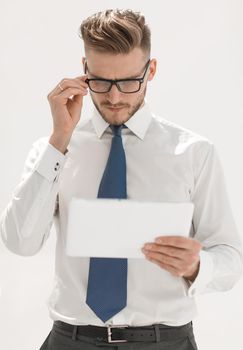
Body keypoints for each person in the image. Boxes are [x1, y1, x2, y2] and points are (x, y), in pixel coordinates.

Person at [0, 8, 243, 350]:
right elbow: (20, 243)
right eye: (101, 82)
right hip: (72, 341)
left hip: (165, 342)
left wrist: (198, 266)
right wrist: (59, 141)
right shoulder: (54, 151)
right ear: (84, 72)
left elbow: (231, 257)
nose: (114, 98)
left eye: (129, 82)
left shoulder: (193, 152)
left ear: (151, 70)